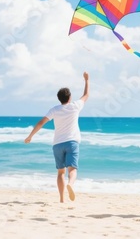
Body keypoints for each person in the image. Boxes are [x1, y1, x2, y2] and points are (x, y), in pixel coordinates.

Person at [24, 72, 89, 203]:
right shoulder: (75, 106)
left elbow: (41, 122)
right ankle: (71, 184)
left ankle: (61, 199)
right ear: (69, 98)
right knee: (73, 169)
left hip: (57, 144)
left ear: (59, 98)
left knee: (60, 172)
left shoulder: (54, 109)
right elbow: (86, 95)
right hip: (72, 142)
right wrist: (87, 80)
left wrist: (30, 136)